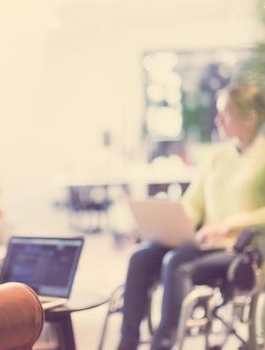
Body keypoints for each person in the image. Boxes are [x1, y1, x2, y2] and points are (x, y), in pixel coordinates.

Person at [118, 85, 265, 350]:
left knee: (177, 262)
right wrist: (172, 221)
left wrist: (227, 225)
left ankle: (162, 344)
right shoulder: (217, 156)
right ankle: (127, 343)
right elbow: (193, 202)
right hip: (205, 243)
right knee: (141, 257)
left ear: (251, 117)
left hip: (243, 248)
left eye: (225, 113)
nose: (217, 120)